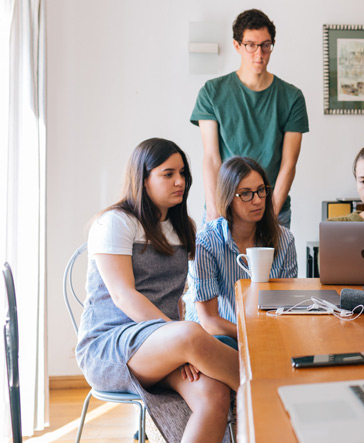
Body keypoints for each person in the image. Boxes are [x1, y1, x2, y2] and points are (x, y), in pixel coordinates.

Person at [76, 139, 237, 442]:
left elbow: (176, 297)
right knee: (191, 333)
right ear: (143, 177)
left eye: (183, 173)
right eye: (168, 174)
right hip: (111, 345)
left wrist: (179, 345)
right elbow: (124, 295)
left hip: (164, 345)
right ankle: (274, 392)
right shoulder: (116, 222)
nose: (180, 181)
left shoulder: (183, 227)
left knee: (214, 392)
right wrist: (180, 342)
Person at [191, 9, 308, 227]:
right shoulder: (212, 92)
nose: (259, 53)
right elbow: (211, 158)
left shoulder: (292, 97)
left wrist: (270, 216)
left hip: (273, 208)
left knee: (273, 263)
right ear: (237, 45)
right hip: (225, 208)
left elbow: (289, 163)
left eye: (265, 45)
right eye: (251, 45)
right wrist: (215, 213)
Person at [185, 157, 298, 348]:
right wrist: (253, 334)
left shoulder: (285, 239)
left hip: (267, 335)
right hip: (217, 338)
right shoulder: (206, 242)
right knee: (227, 343)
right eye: (246, 194)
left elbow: (286, 308)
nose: (257, 200)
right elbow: (209, 321)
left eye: (261, 191)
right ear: (228, 198)